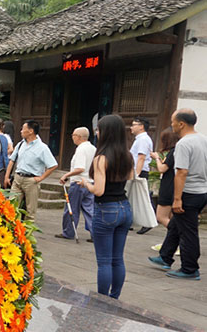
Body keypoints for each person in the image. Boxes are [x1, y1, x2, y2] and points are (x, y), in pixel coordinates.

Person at [77, 114, 134, 299]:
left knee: (104, 261)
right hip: (125, 208)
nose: (97, 133)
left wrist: (86, 184)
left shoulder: (101, 158)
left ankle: (102, 300)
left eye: (99, 129)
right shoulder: (128, 155)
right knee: (118, 259)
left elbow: (99, 190)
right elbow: (131, 177)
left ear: (106, 132)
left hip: (106, 209)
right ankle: (114, 298)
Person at [149, 109, 207, 280]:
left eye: (173, 121)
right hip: (201, 191)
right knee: (176, 224)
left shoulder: (183, 144)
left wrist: (177, 199)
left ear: (181, 124)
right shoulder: (203, 139)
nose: (171, 124)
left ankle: (190, 269)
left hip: (188, 192)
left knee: (188, 232)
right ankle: (165, 256)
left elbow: (181, 172)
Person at [4, 120, 58, 222]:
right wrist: (7, 176)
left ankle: (27, 231)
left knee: (30, 211)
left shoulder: (42, 148)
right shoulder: (21, 144)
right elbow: (12, 160)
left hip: (31, 181)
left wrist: (41, 178)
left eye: (23, 129)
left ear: (30, 131)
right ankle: (13, 228)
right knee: (11, 207)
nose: (21, 131)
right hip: (18, 178)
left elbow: (53, 165)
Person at [55, 127, 96, 242]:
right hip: (90, 182)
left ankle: (68, 232)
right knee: (90, 209)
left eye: (73, 135)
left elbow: (80, 168)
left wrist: (66, 175)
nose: (72, 137)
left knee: (71, 209)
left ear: (78, 137)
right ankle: (95, 234)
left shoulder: (81, 149)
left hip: (79, 183)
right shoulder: (93, 148)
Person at [149, 128, 181, 238]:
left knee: (161, 216)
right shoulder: (178, 151)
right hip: (175, 185)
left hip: (168, 186)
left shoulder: (173, 152)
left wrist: (157, 158)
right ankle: (174, 240)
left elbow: (162, 169)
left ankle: (178, 236)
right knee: (172, 218)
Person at [130, 116, 154, 234]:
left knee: (143, 197)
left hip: (140, 171)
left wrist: (137, 174)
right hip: (137, 170)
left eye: (134, 125)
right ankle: (130, 221)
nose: (131, 127)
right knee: (134, 196)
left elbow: (141, 157)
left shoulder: (143, 139)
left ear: (141, 127)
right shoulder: (140, 139)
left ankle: (148, 222)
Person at [0, 117, 12, 182]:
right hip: (4, 164)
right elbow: (11, 149)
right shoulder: (6, 137)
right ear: (3, 126)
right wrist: (4, 153)